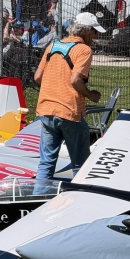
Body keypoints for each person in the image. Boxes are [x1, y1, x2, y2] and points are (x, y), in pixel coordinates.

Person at [33, 12, 106, 179]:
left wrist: (56, 84)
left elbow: (37, 77)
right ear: (86, 30)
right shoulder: (84, 50)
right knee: (81, 167)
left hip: (46, 110)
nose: (95, 36)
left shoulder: (53, 46)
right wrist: (90, 95)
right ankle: (79, 196)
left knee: (46, 164)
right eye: (94, 32)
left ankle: (40, 194)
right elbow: (75, 80)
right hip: (70, 112)